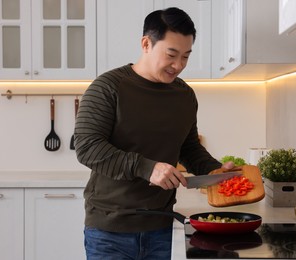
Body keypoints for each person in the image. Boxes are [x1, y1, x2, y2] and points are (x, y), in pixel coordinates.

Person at [74, 7, 234, 260]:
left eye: (186, 56)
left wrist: (214, 171)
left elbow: (188, 147)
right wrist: (148, 168)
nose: (178, 65)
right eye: (171, 54)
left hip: (162, 227)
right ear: (146, 43)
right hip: (109, 230)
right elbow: (87, 147)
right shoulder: (108, 87)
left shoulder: (184, 95)